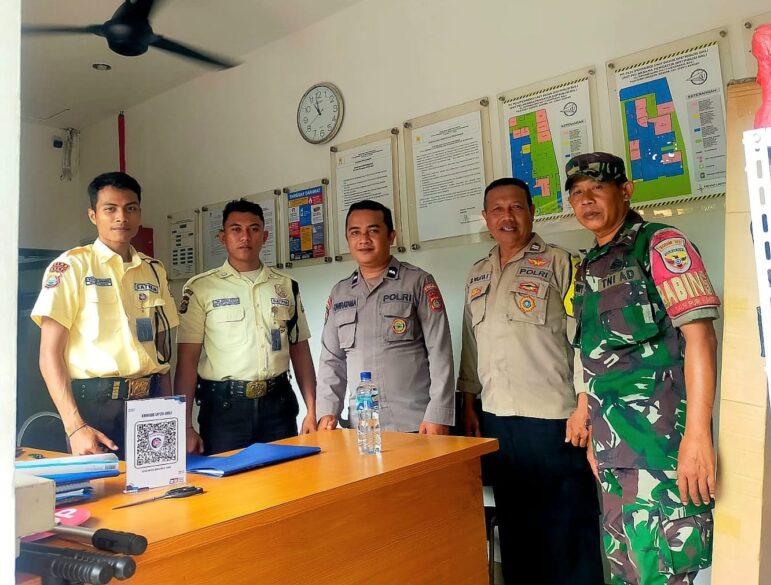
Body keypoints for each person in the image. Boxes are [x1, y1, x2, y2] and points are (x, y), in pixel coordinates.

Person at [567, 152, 719, 584]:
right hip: (613, 451)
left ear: (625, 191)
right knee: (625, 571)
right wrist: (591, 421)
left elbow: (701, 338)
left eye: (597, 188)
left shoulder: (661, 244)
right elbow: (593, 355)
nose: (586, 200)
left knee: (663, 572)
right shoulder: (588, 266)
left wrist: (698, 436)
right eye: (577, 192)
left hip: (662, 450)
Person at [458, 177, 603, 584]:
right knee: (518, 532)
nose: (507, 216)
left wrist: (584, 404)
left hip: (555, 421)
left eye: (516, 207)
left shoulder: (562, 263)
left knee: (568, 533)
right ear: (486, 218)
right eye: (497, 209)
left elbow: (586, 338)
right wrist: (468, 402)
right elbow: (471, 343)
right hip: (498, 420)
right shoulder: (477, 273)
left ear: (532, 213)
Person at [31, 172, 179, 460]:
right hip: (95, 409)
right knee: (103, 486)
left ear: (139, 213)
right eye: (110, 209)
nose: (121, 217)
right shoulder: (72, 267)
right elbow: (49, 355)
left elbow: (161, 354)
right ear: (93, 215)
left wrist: (168, 412)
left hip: (150, 403)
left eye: (130, 208)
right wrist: (75, 427)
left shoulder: (153, 270)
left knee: (158, 484)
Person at [174, 199, 317, 455]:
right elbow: (187, 361)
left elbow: (300, 350)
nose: (245, 237)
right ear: (222, 237)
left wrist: (312, 410)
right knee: (228, 478)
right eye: (236, 229)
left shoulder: (286, 286)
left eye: (253, 229)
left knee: (285, 475)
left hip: (278, 405)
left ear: (264, 236)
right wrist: (184, 426)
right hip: (224, 409)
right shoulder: (200, 288)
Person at [316, 200, 455, 433]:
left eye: (373, 231)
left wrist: (438, 414)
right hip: (361, 425)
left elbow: (440, 351)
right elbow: (331, 360)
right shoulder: (340, 293)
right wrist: (327, 412)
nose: (363, 239)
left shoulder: (417, 282)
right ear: (347, 239)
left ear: (391, 236)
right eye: (355, 232)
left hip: (415, 423)